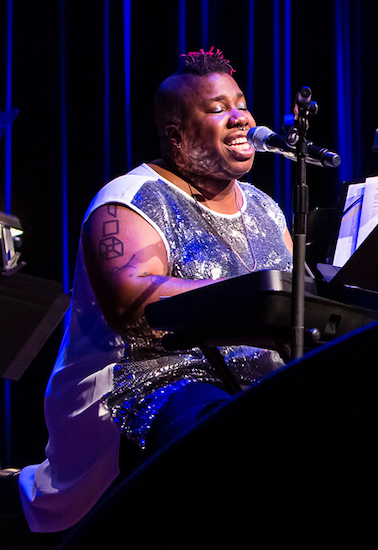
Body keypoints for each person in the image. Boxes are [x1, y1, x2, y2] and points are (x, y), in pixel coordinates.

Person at [15, 48, 293, 533]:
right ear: (177, 136)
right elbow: (135, 307)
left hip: (252, 384)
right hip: (145, 385)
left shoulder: (267, 210)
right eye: (216, 108)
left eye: (240, 102)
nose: (241, 117)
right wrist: (256, 298)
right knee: (224, 438)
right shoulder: (128, 200)